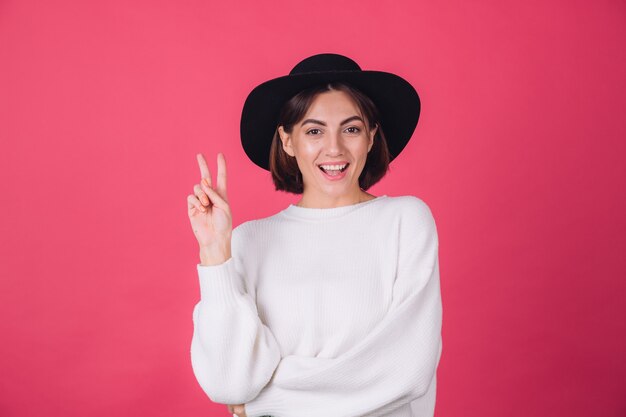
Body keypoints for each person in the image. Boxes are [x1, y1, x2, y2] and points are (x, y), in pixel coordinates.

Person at [186, 53, 443, 417]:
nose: (334, 148)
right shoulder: (249, 241)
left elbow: (405, 370)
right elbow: (229, 383)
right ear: (287, 141)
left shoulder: (404, 221)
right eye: (314, 130)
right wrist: (214, 254)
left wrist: (262, 399)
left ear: (371, 137)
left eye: (351, 129)